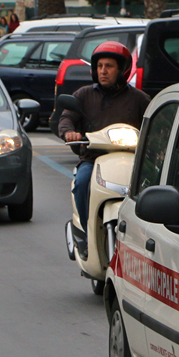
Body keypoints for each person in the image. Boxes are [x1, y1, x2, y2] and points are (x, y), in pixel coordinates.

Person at [57, 41, 150, 254]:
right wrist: (69, 131)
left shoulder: (138, 99)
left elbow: (154, 124)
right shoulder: (83, 95)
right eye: (99, 66)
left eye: (109, 66)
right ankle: (87, 231)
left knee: (153, 191)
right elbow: (66, 118)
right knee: (81, 183)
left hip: (131, 160)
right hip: (92, 159)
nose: (103, 71)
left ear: (122, 70)